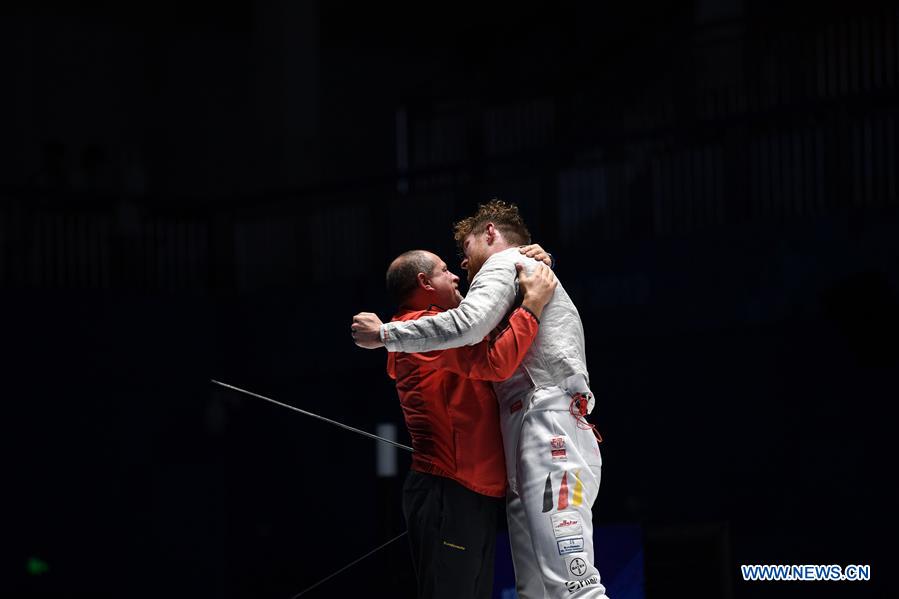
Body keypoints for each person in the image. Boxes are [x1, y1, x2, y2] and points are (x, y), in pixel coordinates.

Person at [353, 200, 609, 599]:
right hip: (511, 447)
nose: (462, 270)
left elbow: (474, 331)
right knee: (537, 592)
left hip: (546, 428)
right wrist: (532, 301)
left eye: (465, 251)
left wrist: (383, 334)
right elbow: (491, 356)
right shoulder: (428, 325)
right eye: (446, 268)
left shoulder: (504, 264)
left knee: (573, 587)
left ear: (490, 234)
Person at [374, 248, 557, 599]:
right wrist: (532, 303)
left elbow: (495, 330)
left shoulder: (451, 328)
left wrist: (535, 260)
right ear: (425, 282)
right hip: (448, 488)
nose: (457, 275)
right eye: (445, 270)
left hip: (472, 494)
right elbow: (497, 361)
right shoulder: (417, 331)